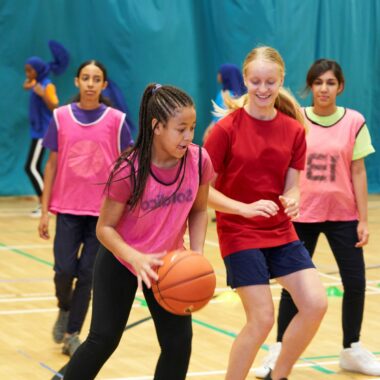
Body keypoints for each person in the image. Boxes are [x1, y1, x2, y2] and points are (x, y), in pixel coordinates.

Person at [63, 83, 215, 379]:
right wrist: (135, 257)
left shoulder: (198, 160)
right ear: (156, 126)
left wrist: (196, 253)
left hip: (168, 264)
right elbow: (104, 228)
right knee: (103, 340)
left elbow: (199, 210)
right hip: (122, 259)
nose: (189, 136)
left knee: (178, 344)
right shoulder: (129, 169)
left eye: (192, 128)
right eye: (180, 128)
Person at [204, 46, 328, 380]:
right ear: (244, 80)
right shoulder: (225, 130)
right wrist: (242, 209)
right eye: (255, 81)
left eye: (269, 81)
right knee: (261, 319)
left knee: (316, 304)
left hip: (279, 231)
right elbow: (201, 191)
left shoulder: (294, 130)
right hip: (239, 232)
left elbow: (293, 184)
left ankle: (279, 375)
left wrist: (294, 197)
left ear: (280, 80)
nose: (262, 88)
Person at [254, 59, 378, 378]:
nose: (324, 88)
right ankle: (279, 348)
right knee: (292, 287)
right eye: (318, 82)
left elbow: (358, 171)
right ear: (310, 86)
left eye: (330, 83)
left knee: (355, 282)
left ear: (340, 87)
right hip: (301, 215)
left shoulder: (354, 121)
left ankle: (351, 348)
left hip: (343, 215)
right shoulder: (296, 120)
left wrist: (363, 220)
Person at [38, 60, 133, 356]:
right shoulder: (61, 116)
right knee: (64, 270)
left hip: (103, 215)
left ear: (104, 85)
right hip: (67, 209)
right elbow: (51, 165)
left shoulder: (117, 121)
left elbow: (127, 167)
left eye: (97, 79)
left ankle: (72, 332)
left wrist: (129, 211)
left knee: (88, 275)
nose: (91, 84)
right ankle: (64, 307)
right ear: (77, 82)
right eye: (86, 78)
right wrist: (44, 211)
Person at [23, 40, 69, 217]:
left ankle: (45, 204)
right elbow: (26, 84)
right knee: (32, 166)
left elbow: (55, 107)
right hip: (38, 131)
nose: (27, 73)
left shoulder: (47, 85)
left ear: (38, 69)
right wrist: (31, 83)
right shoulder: (37, 82)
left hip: (44, 132)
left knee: (31, 166)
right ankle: (44, 202)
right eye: (26, 70)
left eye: (30, 70)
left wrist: (43, 96)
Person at [203, 63, 246, 143]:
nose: (218, 76)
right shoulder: (243, 96)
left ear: (226, 75)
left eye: (220, 72)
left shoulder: (224, 94)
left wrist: (210, 131)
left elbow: (220, 118)